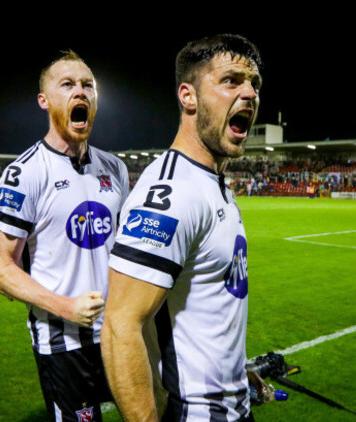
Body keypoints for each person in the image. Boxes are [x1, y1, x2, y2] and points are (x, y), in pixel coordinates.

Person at [101, 34, 273, 421]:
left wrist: (239, 374)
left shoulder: (213, 182)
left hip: (233, 407)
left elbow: (204, 311)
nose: (249, 92)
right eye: (231, 80)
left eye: (255, 84)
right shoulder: (173, 191)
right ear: (188, 96)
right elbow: (120, 325)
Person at [0, 50, 129, 421]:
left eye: (87, 85)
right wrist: (67, 308)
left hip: (120, 332)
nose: (79, 92)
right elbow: (0, 269)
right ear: (45, 100)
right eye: (67, 85)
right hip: (62, 343)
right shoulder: (25, 173)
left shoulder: (115, 168)